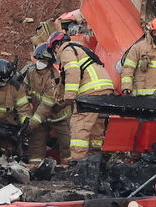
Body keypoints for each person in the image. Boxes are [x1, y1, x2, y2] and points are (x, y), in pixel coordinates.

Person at [47, 31, 114, 161]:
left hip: (91, 92)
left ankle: (77, 161)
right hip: (105, 90)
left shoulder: (66, 51)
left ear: (56, 46)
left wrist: (69, 96)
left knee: (79, 124)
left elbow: (72, 71)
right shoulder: (79, 50)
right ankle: (95, 160)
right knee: (96, 128)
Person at [24, 43, 71, 166]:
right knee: (36, 144)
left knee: (66, 144)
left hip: (58, 116)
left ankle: (67, 168)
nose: (39, 62)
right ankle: (34, 168)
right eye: (38, 60)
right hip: (41, 118)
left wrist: (33, 122)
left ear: (49, 62)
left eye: (43, 61)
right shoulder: (31, 72)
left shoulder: (54, 77)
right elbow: (23, 93)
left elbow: (47, 104)